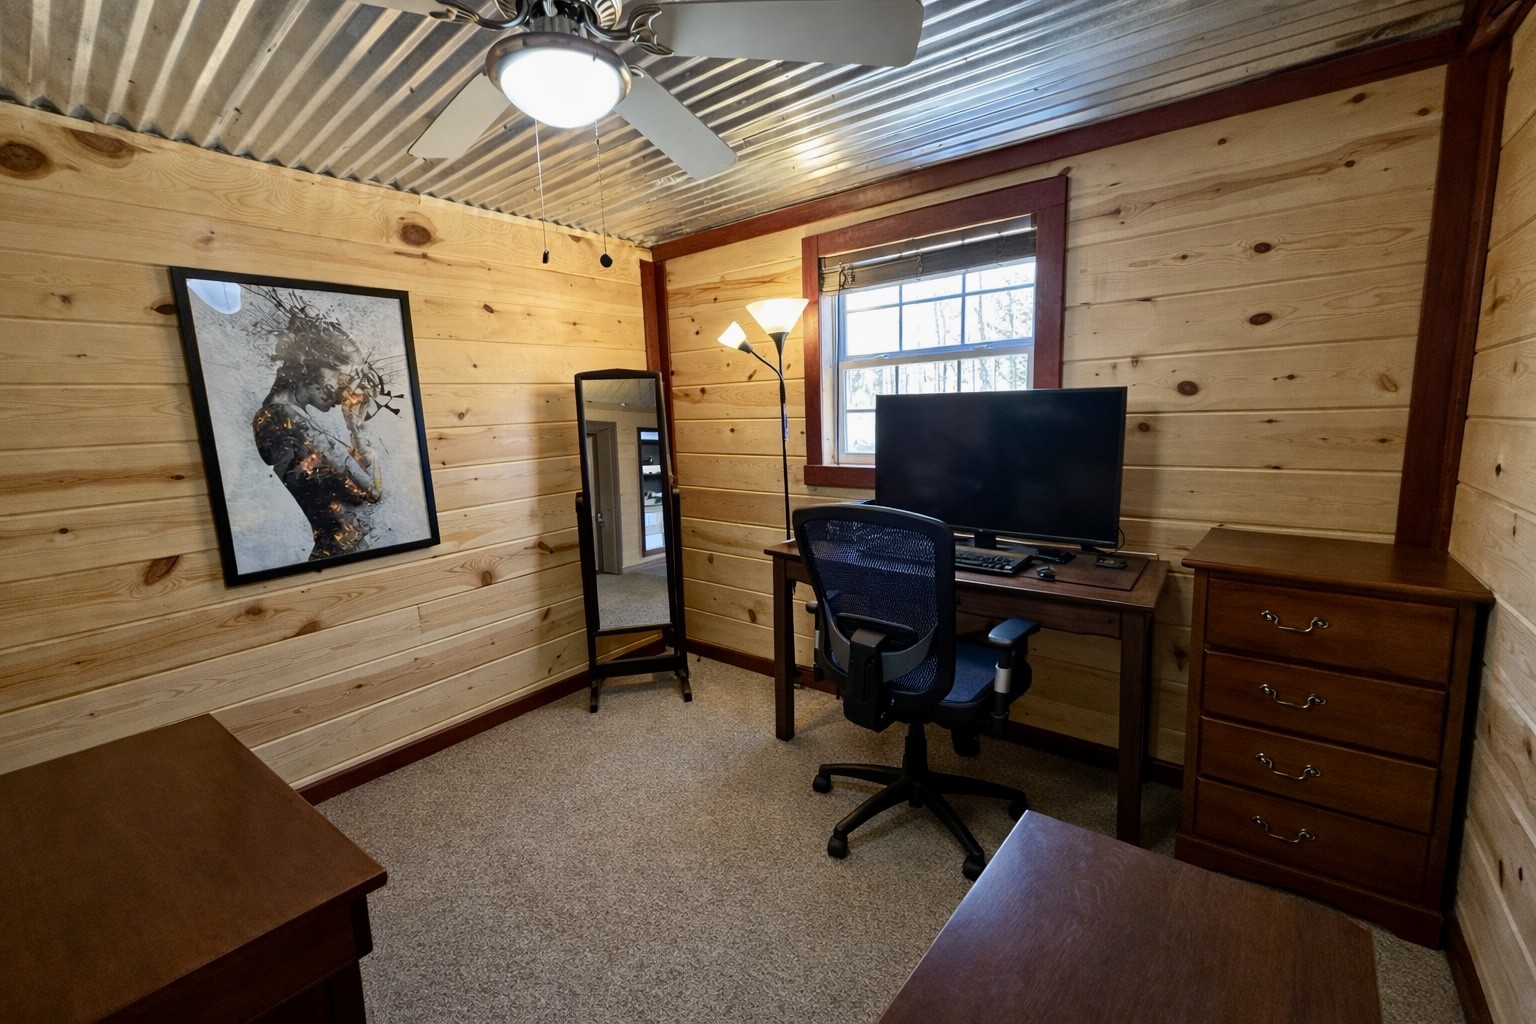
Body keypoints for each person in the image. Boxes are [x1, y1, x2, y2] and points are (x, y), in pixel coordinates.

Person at [252, 312, 383, 560]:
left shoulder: (283, 417)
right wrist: (355, 423)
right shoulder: (290, 422)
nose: (345, 388)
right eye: (340, 375)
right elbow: (373, 490)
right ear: (312, 363)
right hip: (333, 557)